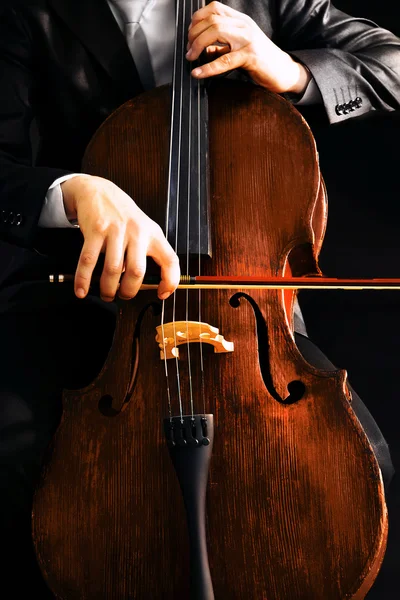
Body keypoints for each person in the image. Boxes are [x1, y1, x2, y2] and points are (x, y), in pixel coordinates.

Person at [0, 0, 399, 597]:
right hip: (97, 307)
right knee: (18, 460)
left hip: (248, 313)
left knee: (360, 470)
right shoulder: (29, 13)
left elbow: (393, 63)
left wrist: (291, 70)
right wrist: (70, 191)